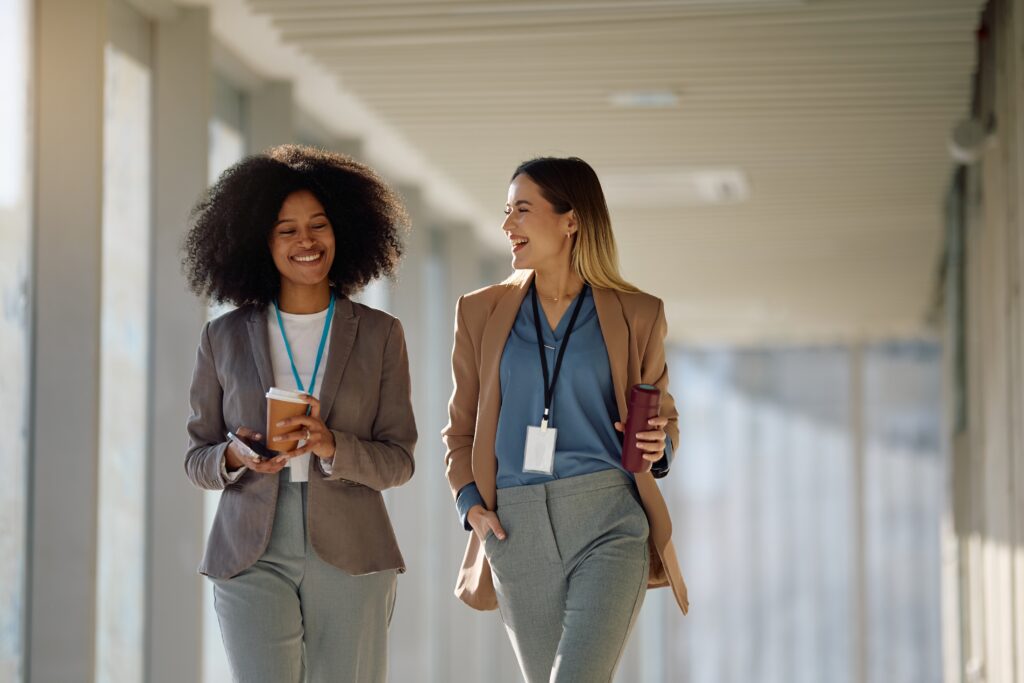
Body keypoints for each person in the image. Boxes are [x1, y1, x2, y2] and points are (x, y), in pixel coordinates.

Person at [443, 156, 689, 682]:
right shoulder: (479, 312)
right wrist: (470, 506)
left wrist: (658, 446)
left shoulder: (637, 313)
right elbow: (460, 429)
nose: (507, 226)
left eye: (522, 210)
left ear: (570, 220)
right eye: (506, 212)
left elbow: (664, 421)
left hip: (607, 521)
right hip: (515, 527)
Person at [182, 144, 416, 683]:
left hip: (353, 547)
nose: (306, 241)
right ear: (260, 242)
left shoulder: (381, 334)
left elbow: (399, 461)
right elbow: (197, 458)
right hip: (249, 549)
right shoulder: (222, 337)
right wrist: (234, 457)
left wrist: (333, 446)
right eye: (286, 230)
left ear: (343, 231)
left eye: (318, 225)